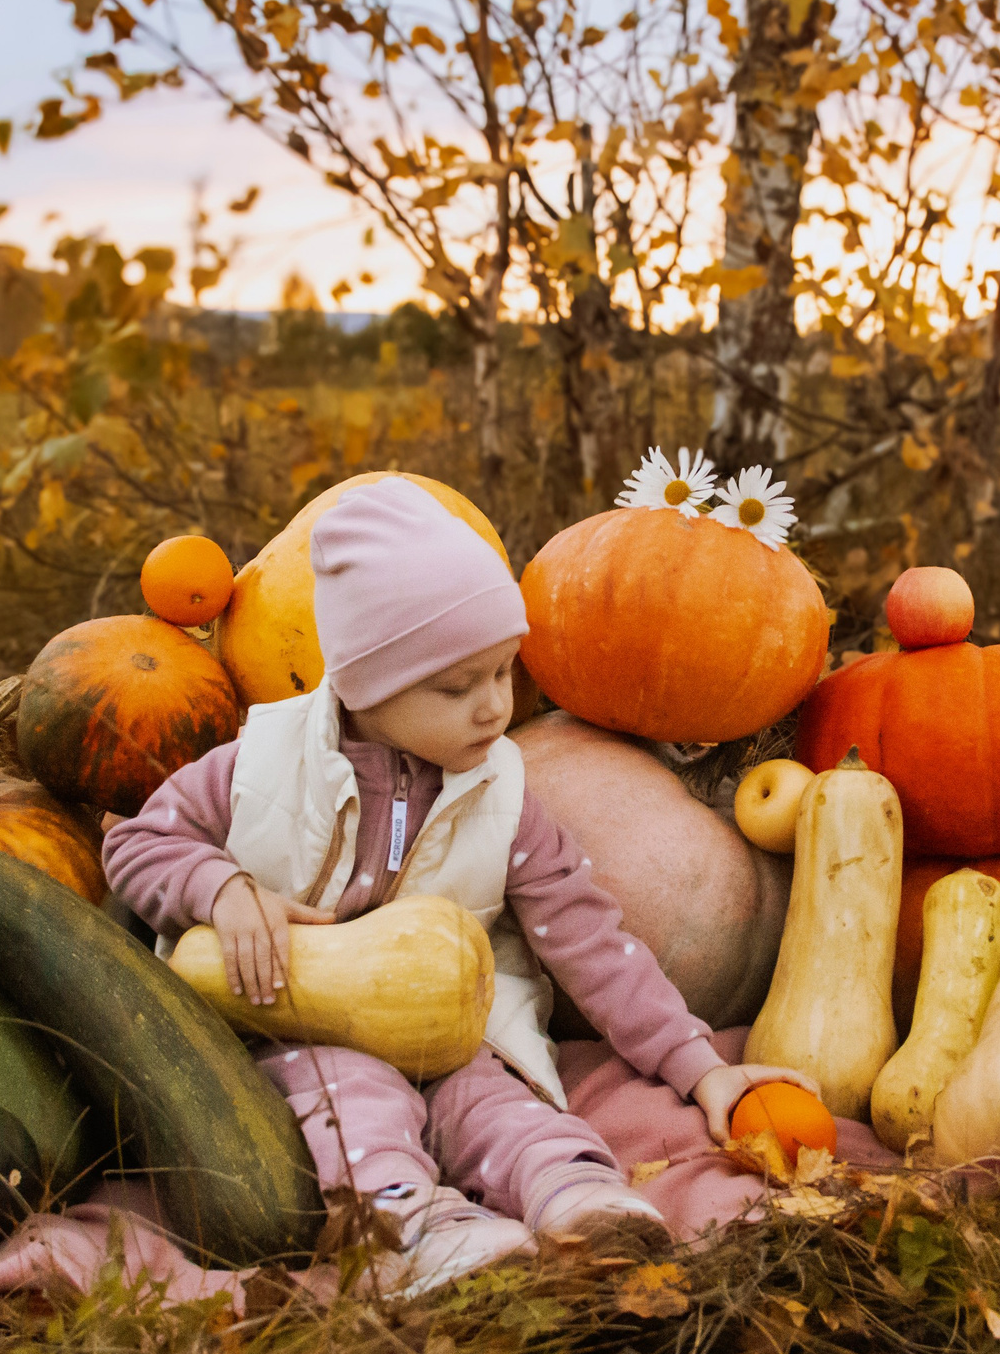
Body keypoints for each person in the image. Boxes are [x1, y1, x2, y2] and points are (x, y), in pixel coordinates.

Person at [103, 478, 816, 1292]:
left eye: (503, 674)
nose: (493, 709)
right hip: (292, 1031)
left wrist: (698, 1065)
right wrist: (222, 888)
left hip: (454, 1032)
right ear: (366, 684)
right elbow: (137, 846)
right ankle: (407, 1229)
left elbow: (593, 943)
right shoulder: (259, 766)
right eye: (456, 687)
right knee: (355, 1106)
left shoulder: (503, 796)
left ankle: (578, 1195)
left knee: (505, 1106)